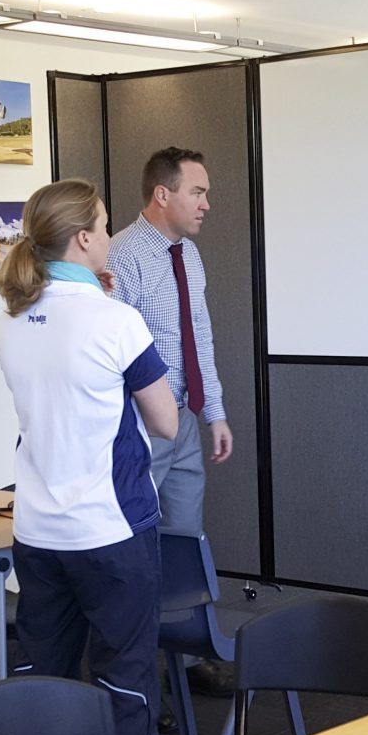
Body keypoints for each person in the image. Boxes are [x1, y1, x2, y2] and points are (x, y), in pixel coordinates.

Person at [0, 178, 179, 735]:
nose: (108, 236)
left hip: (39, 534)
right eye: (102, 226)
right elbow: (166, 422)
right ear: (81, 239)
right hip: (110, 533)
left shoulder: (12, 320)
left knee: (42, 683)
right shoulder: (114, 319)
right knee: (126, 684)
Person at [106, 147, 232, 535]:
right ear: (163, 194)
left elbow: (200, 336)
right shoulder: (122, 255)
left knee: (185, 538)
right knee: (132, 536)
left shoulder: (189, 254)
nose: (206, 204)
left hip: (185, 420)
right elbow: (109, 349)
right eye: (197, 193)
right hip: (140, 423)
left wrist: (215, 413)